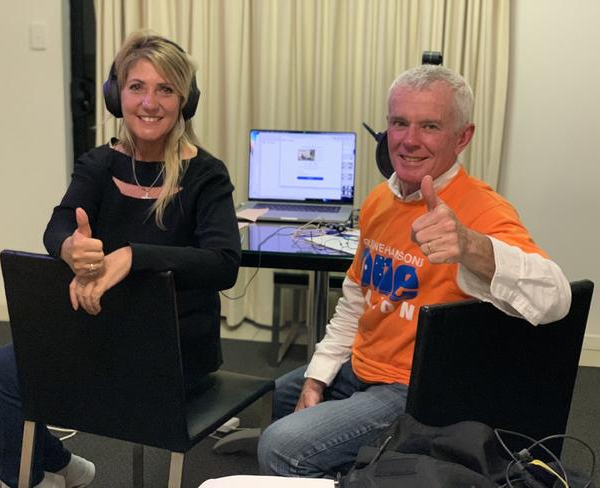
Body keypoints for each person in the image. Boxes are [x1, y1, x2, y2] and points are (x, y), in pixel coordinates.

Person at [198, 64, 571, 487]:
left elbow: (556, 298)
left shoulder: (482, 209)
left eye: (430, 126)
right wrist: (317, 378)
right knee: (282, 395)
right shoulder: (380, 200)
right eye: (399, 123)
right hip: (362, 366)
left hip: (413, 390)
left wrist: (471, 246)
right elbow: (356, 300)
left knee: (281, 446)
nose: (410, 140)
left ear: (462, 137)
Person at [0, 31, 241, 488]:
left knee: (3, 375)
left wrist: (135, 255)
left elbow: (223, 262)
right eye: (137, 87)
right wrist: (70, 247)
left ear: (185, 100)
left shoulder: (206, 175)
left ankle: (21, 480)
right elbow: (57, 225)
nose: (149, 102)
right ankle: (63, 467)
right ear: (117, 95)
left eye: (165, 89)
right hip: (104, 331)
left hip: (173, 350)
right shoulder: (98, 164)